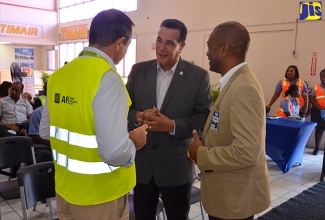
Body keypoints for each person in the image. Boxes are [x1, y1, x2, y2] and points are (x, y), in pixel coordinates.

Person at [39, 9, 148, 220]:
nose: (125, 51)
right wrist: (134, 142)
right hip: (101, 196)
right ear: (120, 42)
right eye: (127, 45)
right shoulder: (107, 79)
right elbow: (114, 153)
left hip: (65, 191)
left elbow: (45, 131)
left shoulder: (58, 76)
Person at [126, 19, 211, 220]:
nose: (161, 48)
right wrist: (139, 117)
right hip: (143, 166)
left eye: (169, 43)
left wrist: (172, 126)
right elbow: (125, 109)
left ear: (182, 46)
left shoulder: (198, 77)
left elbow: (203, 118)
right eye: (159, 40)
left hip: (176, 168)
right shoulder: (138, 71)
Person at [188, 21, 271, 220]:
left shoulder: (244, 88)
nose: (207, 53)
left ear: (224, 49)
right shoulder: (233, 83)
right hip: (226, 196)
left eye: (210, 47)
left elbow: (247, 152)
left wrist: (202, 154)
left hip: (235, 200)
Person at [309, 68, 325, 156]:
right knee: (319, 130)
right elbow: (311, 99)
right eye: (321, 77)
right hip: (319, 112)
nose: (323, 78)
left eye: (324, 77)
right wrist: (321, 109)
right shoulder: (315, 88)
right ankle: (317, 148)